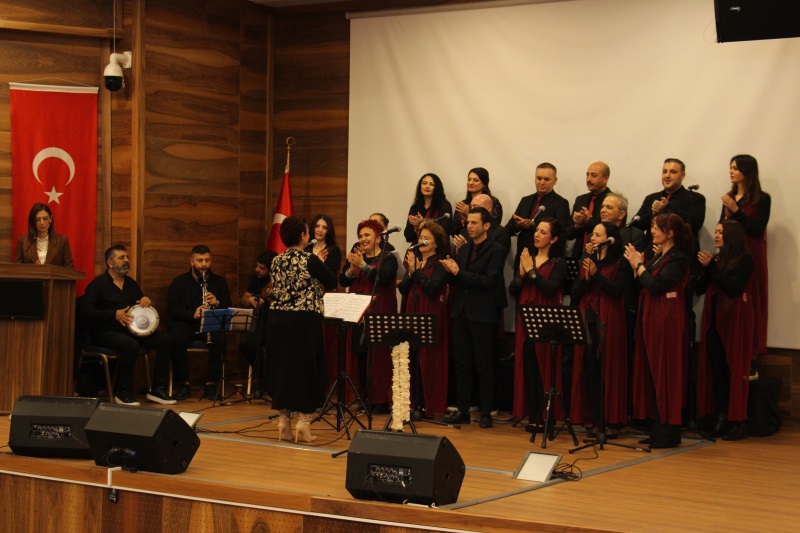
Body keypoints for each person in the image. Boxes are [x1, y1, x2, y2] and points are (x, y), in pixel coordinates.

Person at [624, 213, 692, 448]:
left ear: (670, 233)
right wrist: (638, 268)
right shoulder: (657, 256)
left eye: (657, 227)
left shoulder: (678, 258)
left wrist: (638, 265)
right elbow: (643, 283)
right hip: (651, 316)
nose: (652, 230)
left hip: (667, 317)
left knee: (665, 371)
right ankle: (657, 427)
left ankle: (669, 431)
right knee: (652, 371)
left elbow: (656, 285)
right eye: (652, 226)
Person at [268, 215, 338, 443]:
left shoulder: (276, 260)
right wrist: (318, 262)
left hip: (278, 320)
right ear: (302, 236)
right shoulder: (310, 259)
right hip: (305, 320)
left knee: (283, 369)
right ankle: (304, 424)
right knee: (307, 370)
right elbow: (332, 282)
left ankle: (283, 423)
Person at [82, 244, 176, 406]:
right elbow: (87, 313)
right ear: (110, 263)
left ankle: (157, 389)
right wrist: (113, 314)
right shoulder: (98, 285)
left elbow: (138, 306)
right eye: (121, 258)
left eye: (127, 257)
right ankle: (122, 391)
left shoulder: (131, 284)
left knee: (165, 339)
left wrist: (144, 301)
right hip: (106, 332)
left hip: (132, 330)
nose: (126, 260)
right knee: (130, 345)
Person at [441, 207, 506, 428]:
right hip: (461, 311)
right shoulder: (465, 248)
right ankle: (463, 410)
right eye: (468, 222)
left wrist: (458, 272)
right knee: (462, 363)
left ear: (486, 226)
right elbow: (457, 281)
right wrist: (449, 271)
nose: (469, 226)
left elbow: (488, 281)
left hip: (482, 313)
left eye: (474, 222)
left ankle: (486, 412)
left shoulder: (496, 249)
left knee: (483, 365)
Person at [695, 221, 755, 441]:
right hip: (714, 321)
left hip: (734, 320)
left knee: (733, 369)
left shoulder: (744, 260)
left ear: (732, 235)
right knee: (718, 370)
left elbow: (733, 288)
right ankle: (721, 417)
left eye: (721, 232)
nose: (717, 235)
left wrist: (712, 268)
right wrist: (705, 269)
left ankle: (737, 421)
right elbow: (700, 288)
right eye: (716, 232)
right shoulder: (716, 259)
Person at [508, 218, 567, 438]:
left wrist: (532, 272)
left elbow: (550, 289)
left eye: (543, 232)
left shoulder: (558, 263)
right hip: (526, 319)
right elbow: (513, 289)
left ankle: (547, 416)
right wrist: (522, 274)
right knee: (529, 367)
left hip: (546, 320)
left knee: (545, 367)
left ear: (553, 238)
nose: (537, 235)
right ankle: (533, 416)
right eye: (537, 231)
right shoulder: (527, 258)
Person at [570, 222, 629, 436]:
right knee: (590, 368)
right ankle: (595, 418)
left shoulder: (620, 263)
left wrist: (596, 275)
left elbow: (616, 290)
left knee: (609, 369)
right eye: (592, 234)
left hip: (610, 320)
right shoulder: (588, 261)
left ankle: (612, 420)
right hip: (589, 319)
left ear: (609, 239)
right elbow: (575, 292)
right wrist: (587, 277)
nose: (592, 238)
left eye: (597, 234)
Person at [339, 219, 398, 412]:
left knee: (379, 358)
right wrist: (351, 269)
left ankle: (380, 401)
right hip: (359, 316)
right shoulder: (357, 257)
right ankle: (365, 398)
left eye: (367, 235)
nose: (363, 239)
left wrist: (363, 265)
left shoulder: (388, 257)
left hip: (380, 315)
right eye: (360, 236)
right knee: (361, 356)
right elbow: (343, 280)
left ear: (378, 238)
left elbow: (383, 278)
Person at [720, 154, 770, 363]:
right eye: (730, 167)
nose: (731, 171)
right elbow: (723, 228)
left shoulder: (762, 198)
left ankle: (751, 353)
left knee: (751, 299)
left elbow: (757, 230)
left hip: (751, 255)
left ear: (747, 171)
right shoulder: (729, 196)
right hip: (730, 254)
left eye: (735, 168)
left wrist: (735, 210)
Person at [398, 220, 450, 418]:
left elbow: (432, 288)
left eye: (427, 238)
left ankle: (432, 406)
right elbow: (403, 289)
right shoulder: (415, 261)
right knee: (412, 359)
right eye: (420, 237)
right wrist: (411, 272)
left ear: (436, 243)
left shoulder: (440, 264)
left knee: (430, 361)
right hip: (412, 314)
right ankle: (414, 404)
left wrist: (417, 271)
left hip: (431, 316)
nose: (422, 241)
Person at [168, 245, 232, 401]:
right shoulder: (179, 282)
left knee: (220, 339)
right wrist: (193, 314)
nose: (204, 264)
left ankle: (212, 384)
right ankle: (183, 383)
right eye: (199, 260)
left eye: (207, 260)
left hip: (210, 325)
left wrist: (217, 303)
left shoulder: (219, 282)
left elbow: (228, 308)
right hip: (186, 324)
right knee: (176, 338)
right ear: (191, 261)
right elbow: (172, 308)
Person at [631, 158, 706, 252]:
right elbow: (635, 225)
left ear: (682, 176)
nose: (667, 175)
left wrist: (667, 207)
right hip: (652, 254)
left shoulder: (695, 198)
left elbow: (695, 224)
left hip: (681, 253)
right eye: (664, 172)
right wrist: (653, 213)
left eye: (673, 172)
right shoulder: (651, 198)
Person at [505, 162, 570, 270]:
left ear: (555, 180)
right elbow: (509, 228)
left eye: (546, 179)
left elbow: (561, 233)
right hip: (523, 256)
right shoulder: (525, 200)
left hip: (546, 260)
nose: (542, 182)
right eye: (539, 178)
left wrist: (533, 226)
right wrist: (518, 225)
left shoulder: (561, 203)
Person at [238, 250, 277, 399]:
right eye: (257, 266)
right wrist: (251, 300)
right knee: (246, 343)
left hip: (275, 322)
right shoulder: (256, 278)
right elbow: (244, 299)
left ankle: (267, 383)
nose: (257, 270)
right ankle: (264, 378)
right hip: (260, 321)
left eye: (262, 268)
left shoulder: (279, 280)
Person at [564, 162, 613, 258]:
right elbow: (568, 233)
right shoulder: (581, 200)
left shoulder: (612, 201)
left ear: (605, 179)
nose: (588, 179)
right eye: (587, 175)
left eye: (594, 175)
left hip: (602, 257)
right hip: (579, 256)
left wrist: (588, 221)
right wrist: (577, 225)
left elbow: (611, 232)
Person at [15, 202, 74, 267]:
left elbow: (69, 269)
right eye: (38, 219)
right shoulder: (22, 241)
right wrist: (33, 269)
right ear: (33, 221)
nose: (42, 223)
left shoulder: (62, 241)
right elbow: (18, 269)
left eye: (45, 219)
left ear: (50, 218)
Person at [449, 167, 503, 236]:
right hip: (465, 240)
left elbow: (495, 225)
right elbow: (453, 231)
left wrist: (469, 213)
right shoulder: (463, 204)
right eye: (469, 179)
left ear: (484, 184)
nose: (471, 183)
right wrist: (463, 221)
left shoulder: (492, 201)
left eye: (476, 180)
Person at [404, 173, 453, 243]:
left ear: (437, 187)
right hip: (418, 247)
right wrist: (416, 228)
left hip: (437, 247)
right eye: (424, 183)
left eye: (431, 184)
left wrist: (422, 223)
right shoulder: (415, 207)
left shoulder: (444, 205)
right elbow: (408, 237)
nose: (427, 186)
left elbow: (445, 231)